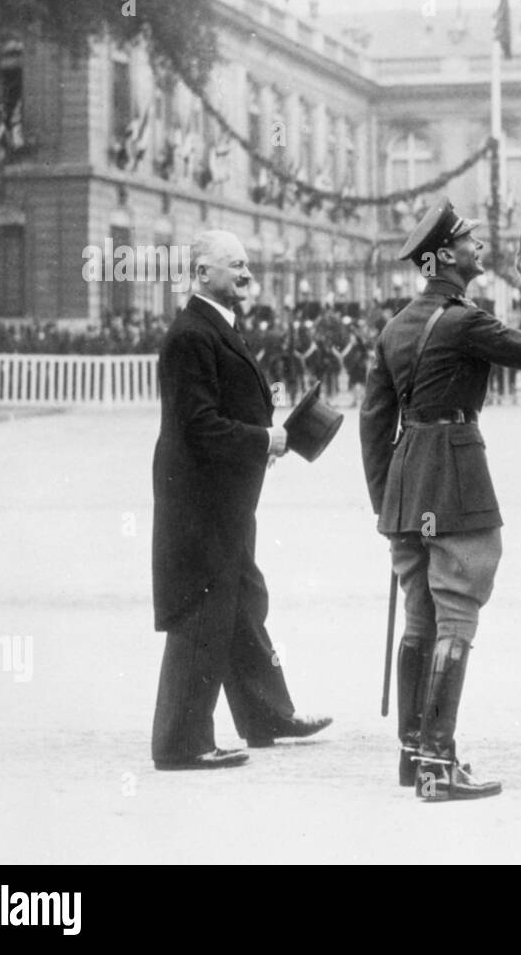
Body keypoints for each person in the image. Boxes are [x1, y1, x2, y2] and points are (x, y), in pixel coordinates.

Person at [359, 199, 521, 801]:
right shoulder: (464, 321)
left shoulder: (394, 326)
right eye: (470, 240)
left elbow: (374, 426)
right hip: (454, 477)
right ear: (446, 256)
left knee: (420, 618)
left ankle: (412, 755)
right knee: (457, 614)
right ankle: (439, 764)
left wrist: (389, 503)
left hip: (404, 487)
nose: (480, 245)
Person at [151, 229, 331, 770]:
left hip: (225, 495)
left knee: (243, 598)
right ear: (203, 273)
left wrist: (264, 441)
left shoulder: (216, 327)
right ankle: (181, 742)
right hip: (201, 501)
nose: (248, 275)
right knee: (203, 605)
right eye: (236, 266)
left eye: (248, 264)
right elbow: (198, 424)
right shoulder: (191, 335)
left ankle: (266, 714)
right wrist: (262, 440)